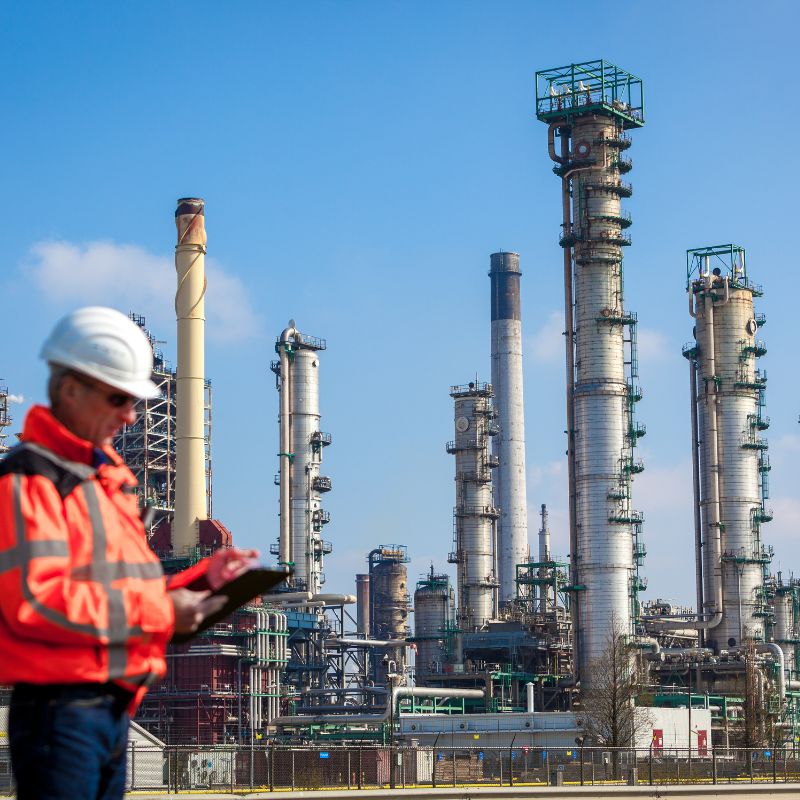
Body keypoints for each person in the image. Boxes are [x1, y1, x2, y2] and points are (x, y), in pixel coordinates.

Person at [0, 307, 258, 800]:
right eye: (118, 397)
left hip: (112, 710)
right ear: (71, 388)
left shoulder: (104, 486)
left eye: (135, 401)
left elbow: (128, 594)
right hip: (61, 710)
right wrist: (161, 609)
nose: (130, 416)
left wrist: (204, 580)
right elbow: (34, 602)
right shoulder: (31, 480)